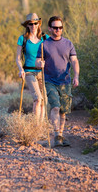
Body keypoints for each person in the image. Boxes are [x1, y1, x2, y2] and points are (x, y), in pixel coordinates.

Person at [36, 16, 80, 147]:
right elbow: (37, 61)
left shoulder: (68, 44)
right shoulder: (44, 45)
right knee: (55, 107)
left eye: (60, 28)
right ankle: (56, 135)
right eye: (55, 28)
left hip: (65, 81)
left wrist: (76, 75)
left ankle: (60, 135)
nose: (58, 30)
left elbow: (74, 61)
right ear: (50, 28)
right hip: (50, 81)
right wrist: (40, 64)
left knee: (63, 111)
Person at [15, 13, 49, 120]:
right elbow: (18, 57)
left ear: (38, 24)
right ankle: (36, 126)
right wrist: (21, 70)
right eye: (31, 24)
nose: (33, 26)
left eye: (35, 23)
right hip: (29, 72)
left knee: (44, 101)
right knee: (38, 99)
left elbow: (51, 54)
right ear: (27, 25)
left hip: (43, 72)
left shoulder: (45, 38)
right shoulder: (23, 39)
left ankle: (41, 126)